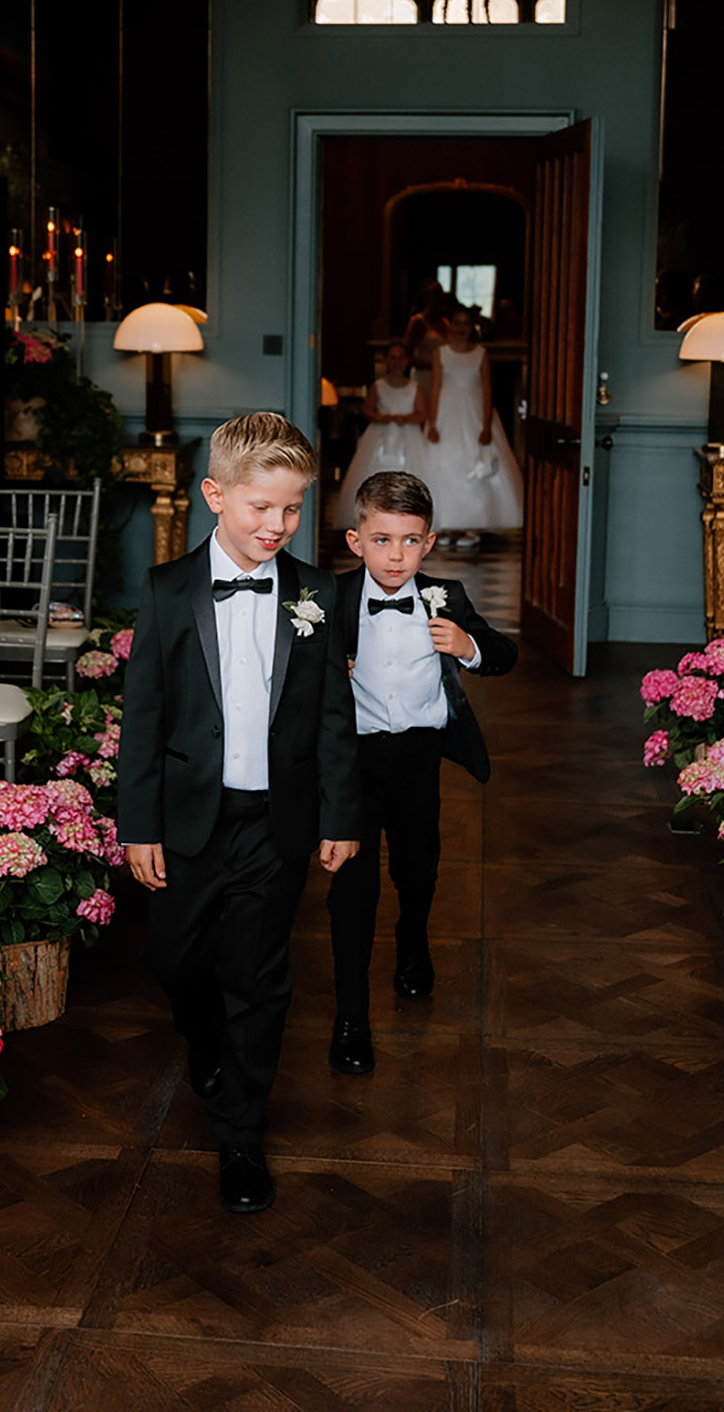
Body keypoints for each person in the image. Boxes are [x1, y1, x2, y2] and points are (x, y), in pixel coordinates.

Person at [117, 413, 361, 1214]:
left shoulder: (318, 594)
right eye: (261, 507)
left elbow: (333, 715)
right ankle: (207, 1045)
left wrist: (339, 812)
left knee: (258, 977)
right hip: (188, 817)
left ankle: (241, 1135)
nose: (276, 526)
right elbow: (146, 716)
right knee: (176, 961)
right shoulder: (165, 591)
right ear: (215, 494)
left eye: (291, 510)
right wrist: (139, 825)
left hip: (276, 821)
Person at [327, 470, 517, 1075]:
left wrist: (467, 646)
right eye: (381, 540)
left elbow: (503, 654)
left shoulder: (448, 596)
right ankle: (351, 1017)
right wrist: (332, 670)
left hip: (416, 757)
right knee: (352, 890)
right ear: (356, 540)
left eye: (410, 541)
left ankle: (413, 939)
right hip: (352, 763)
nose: (396, 555)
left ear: (429, 542)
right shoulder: (328, 601)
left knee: (418, 869)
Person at [426, 306, 524, 545]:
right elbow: (436, 387)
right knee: (446, 466)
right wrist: (432, 421)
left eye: (466, 323)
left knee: (473, 466)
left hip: (474, 413)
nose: (461, 328)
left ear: (472, 327)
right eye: (457, 323)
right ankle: (447, 524)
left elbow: (487, 388)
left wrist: (487, 424)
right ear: (450, 326)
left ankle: (472, 526)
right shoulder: (441, 353)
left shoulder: (481, 353)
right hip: (447, 414)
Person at [333, 339, 427, 528]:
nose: (396, 362)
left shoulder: (413, 387)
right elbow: (366, 409)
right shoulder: (379, 385)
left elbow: (422, 413)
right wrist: (380, 417)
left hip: (408, 437)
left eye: (401, 358)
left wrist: (406, 418)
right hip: (380, 435)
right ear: (385, 361)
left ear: (407, 361)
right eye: (392, 358)